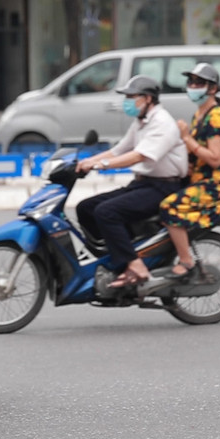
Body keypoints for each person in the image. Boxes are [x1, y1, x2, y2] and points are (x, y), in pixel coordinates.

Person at [75, 75, 188, 287]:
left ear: (147, 99)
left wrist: (101, 165)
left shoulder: (162, 122)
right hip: (143, 184)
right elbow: (118, 150)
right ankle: (118, 259)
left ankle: (135, 264)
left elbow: (139, 156)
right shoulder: (140, 122)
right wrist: (86, 161)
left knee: (106, 212)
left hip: (163, 187)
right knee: (86, 208)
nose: (126, 101)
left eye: (130, 97)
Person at [159, 63, 220, 282]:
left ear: (213, 89)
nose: (193, 86)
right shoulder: (198, 114)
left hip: (212, 186)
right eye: (190, 82)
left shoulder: (216, 116)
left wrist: (187, 138)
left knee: (169, 207)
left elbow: (214, 158)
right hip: (195, 180)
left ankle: (186, 260)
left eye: (199, 83)